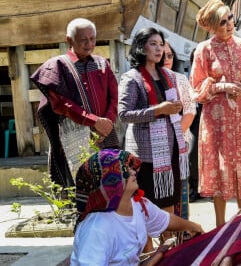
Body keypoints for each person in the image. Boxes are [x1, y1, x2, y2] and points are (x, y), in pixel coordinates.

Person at [190, 0, 241, 227]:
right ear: (213, 26)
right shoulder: (204, 50)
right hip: (218, 119)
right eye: (222, 21)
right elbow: (196, 87)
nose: (229, 24)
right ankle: (220, 226)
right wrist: (221, 86)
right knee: (220, 166)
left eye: (230, 18)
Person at [70, 148, 205, 266]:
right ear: (110, 182)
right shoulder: (97, 229)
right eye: (125, 170)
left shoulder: (138, 205)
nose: (133, 172)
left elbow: (166, 220)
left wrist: (193, 226)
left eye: (131, 167)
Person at [118, 27, 188, 251]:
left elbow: (172, 111)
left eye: (161, 44)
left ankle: (169, 253)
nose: (159, 49)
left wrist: (174, 108)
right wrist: (158, 110)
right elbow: (124, 115)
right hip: (145, 157)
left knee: (168, 206)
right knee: (145, 209)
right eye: (153, 44)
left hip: (170, 152)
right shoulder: (132, 78)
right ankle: (149, 255)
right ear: (141, 47)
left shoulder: (168, 76)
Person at [31, 18, 119, 187]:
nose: (89, 43)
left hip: (106, 132)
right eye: (83, 40)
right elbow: (61, 103)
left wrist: (106, 122)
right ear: (69, 40)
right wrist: (94, 121)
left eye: (92, 38)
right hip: (73, 134)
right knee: (80, 186)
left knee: (110, 183)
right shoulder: (58, 65)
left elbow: (114, 96)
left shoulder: (102, 63)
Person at [163, 41, 196, 219]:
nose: (167, 59)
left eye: (170, 55)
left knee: (180, 187)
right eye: (163, 55)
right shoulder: (144, 78)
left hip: (179, 142)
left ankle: (182, 235)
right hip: (154, 146)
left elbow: (190, 112)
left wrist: (173, 138)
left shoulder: (180, 78)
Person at [187, 48, 203, 202]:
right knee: (192, 155)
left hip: (205, 120)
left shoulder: (207, 76)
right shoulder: (185, 78)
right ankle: (194, 187)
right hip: (189, 121)